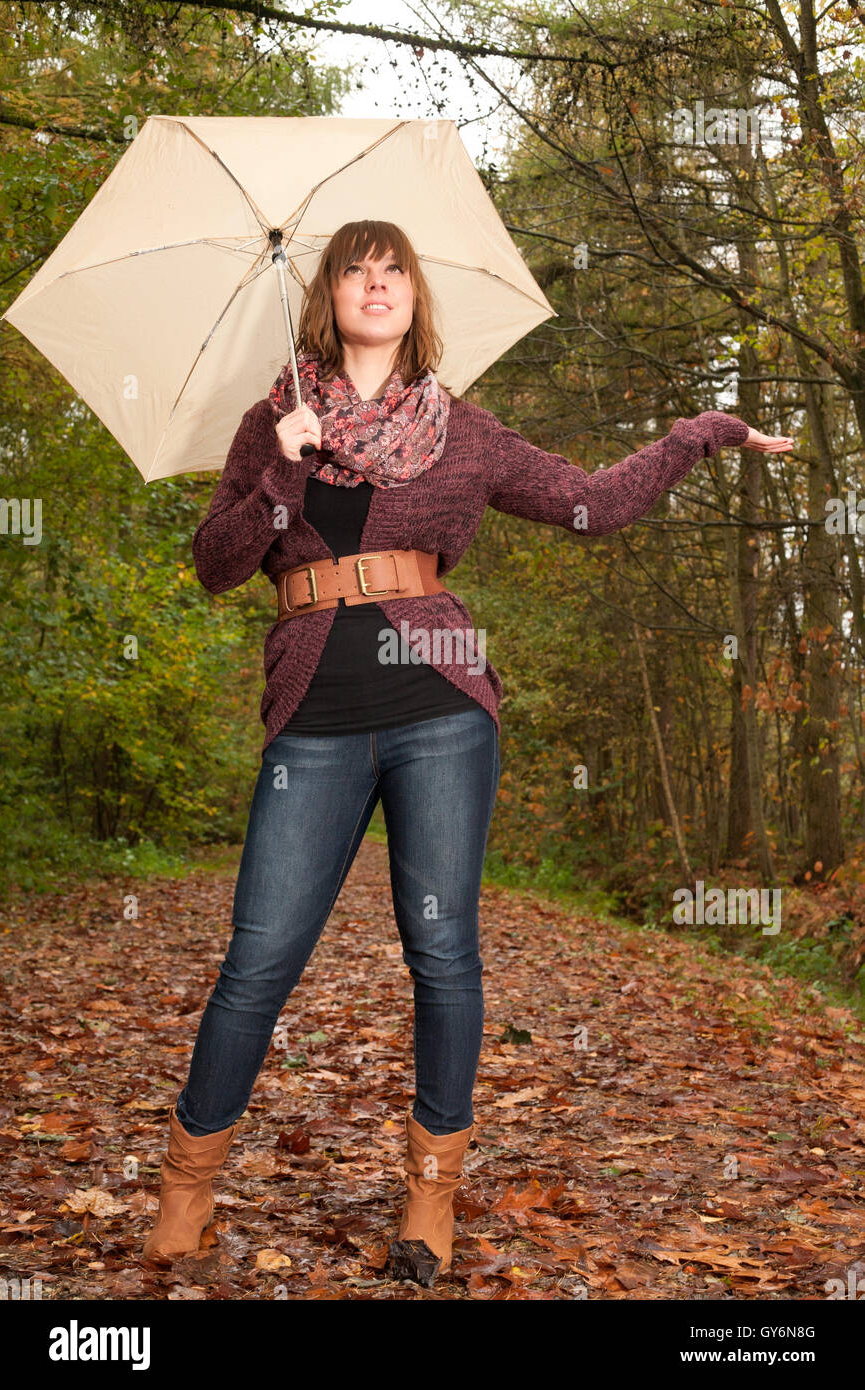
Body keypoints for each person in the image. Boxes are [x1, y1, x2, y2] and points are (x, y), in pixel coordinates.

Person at [141, 219, 794, 1284]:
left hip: (441, 703)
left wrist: (702, 432)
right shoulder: (276, 422)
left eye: (393, 266)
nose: (376, 282)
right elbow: (216, 565)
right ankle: (186, 1189)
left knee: (440, 956)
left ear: (416, 295)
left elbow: (593, 502)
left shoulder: (465, 432)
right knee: (258, 960)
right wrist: (280, 476)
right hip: (313, 711)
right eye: (356, 267)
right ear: (327, 297)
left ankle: (428, 1195)